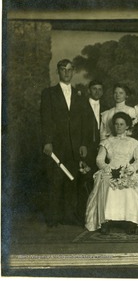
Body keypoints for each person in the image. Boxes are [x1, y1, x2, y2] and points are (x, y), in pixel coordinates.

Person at [40, 59, 88, 227]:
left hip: (75, 146)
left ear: (73, 72)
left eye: (69, 70)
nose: (66, 73)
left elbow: (84, 121)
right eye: (63, 69)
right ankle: (53, 218)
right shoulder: (48, 93)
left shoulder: (80, 94)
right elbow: (45, 119)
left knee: (72, 181)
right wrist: (47, 141)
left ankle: (69, 216)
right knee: (55, 181)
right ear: (58, 72)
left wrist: (83, 144)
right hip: (56, 145)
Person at [85, 112, 138, 234]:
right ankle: (106, 221)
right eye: (116, 124)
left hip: (127, 170)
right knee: (108, 185)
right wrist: (107, 168)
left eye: (122, 124)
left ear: (127, 126)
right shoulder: (107, 142)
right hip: (110, 170)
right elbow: (99, 159)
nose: (119, 127)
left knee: (129, 188)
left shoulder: (134, 142)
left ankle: (130, 221)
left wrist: (131, 169)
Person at [78, 80, 105, 220]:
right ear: (89, 90)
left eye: (100, 89)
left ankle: (98, 213)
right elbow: (77, 128)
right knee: (86, 177)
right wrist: (82, 145)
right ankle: (85, 213)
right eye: (94, 89)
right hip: (86, 147)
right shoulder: (81, 105)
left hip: (101, 148)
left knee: (99, 178)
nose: (97, 92)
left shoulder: (106, 107)